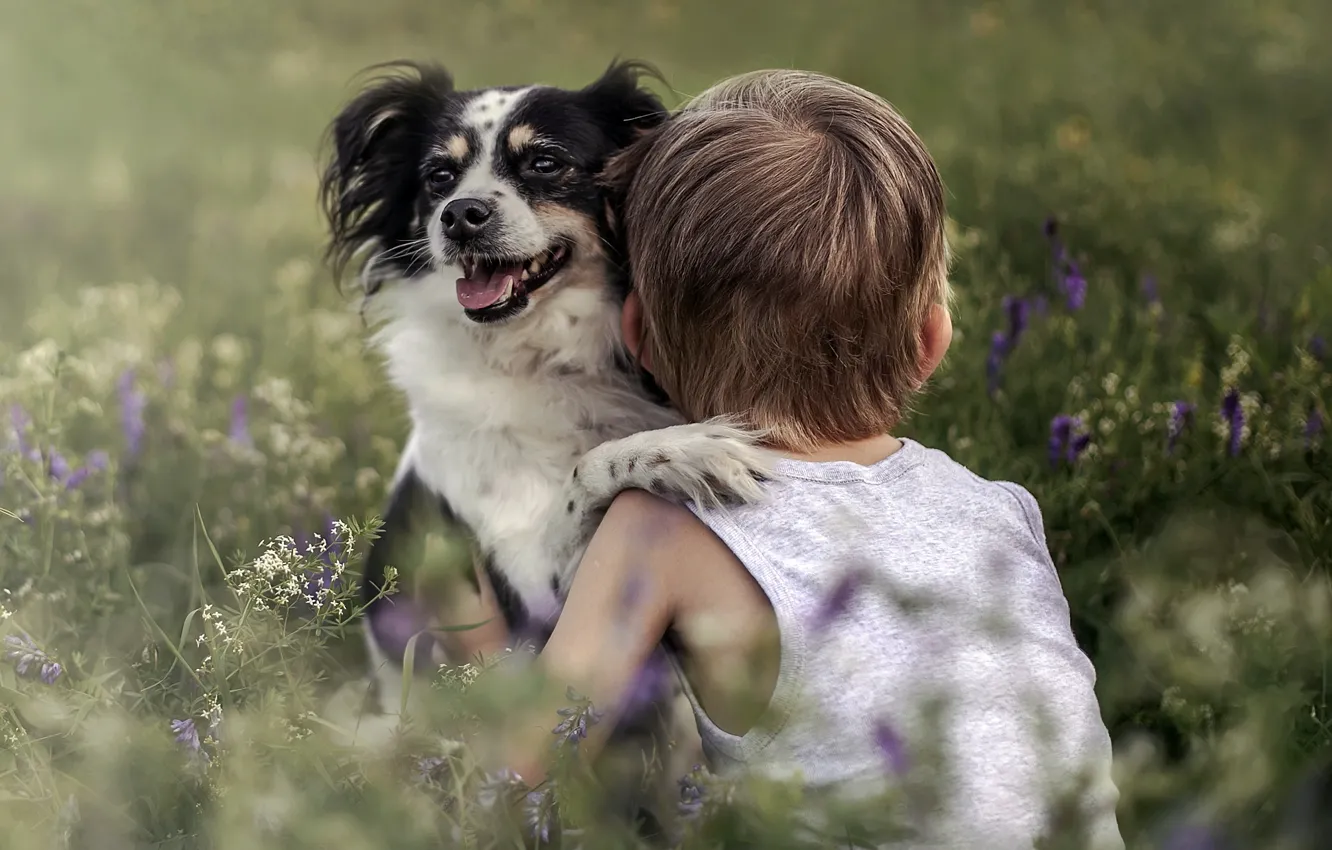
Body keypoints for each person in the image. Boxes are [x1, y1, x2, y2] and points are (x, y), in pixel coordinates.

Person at [483, 69, 1124, 849]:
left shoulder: (658, 532)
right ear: (932, 340)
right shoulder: (1003, 510)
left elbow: (511, 775)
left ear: (638, 336)